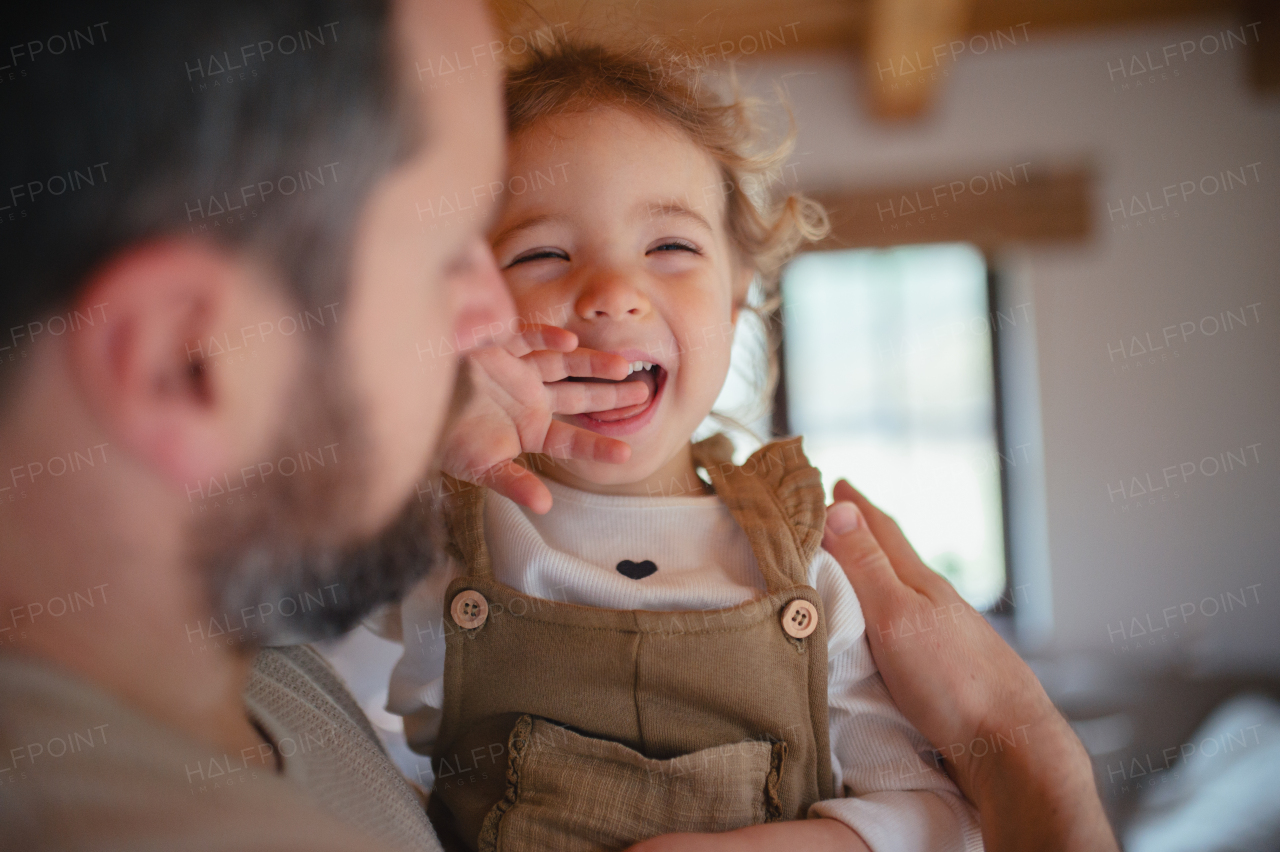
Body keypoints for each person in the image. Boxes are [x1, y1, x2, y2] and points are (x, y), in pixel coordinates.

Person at [0, 1, 1116, 851]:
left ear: (741, 299)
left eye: (671, 249)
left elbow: (915, 808)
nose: (504, 320)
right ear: (184, 364)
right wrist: (1032, 764)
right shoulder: (415, 569)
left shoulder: (263, 656)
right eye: (468, 256)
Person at [380, 39, 979, 852]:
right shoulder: (429, 538)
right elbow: (241, 617)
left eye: (671, 248)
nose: (613, 295)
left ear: (736, 301)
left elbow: (937, 818)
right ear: (469, 305)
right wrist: (407, 434)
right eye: (542, 253)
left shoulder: (810, 566)